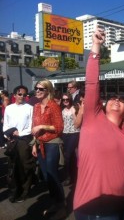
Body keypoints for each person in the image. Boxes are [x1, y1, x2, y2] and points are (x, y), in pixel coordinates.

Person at [73, 28, 124, 220]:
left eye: (122, 100)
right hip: (95, 207)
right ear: (104, 105)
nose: (117, 100)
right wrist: (96, 48)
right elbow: (92, 84)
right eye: (112, 98)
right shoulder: (93, 119)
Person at [31, 79, 66, 219]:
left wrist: (42, 127)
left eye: (41, 89)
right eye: (36, 88)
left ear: (48, 91)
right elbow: (33, 127)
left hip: (52, 142)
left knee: (52, 174)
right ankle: (55, 203)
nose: (37, 91)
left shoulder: (53, 106)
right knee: (46, 176)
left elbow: (59, 128)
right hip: (39, 143)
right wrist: (34, 144)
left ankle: (62, 206)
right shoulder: (36, 106)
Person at [3, 85, 34, 203]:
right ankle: (14, 191)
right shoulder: (9, 108)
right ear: (15, 95)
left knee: (25, 166)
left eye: (24, 95)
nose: (22, 96)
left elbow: (31, 125)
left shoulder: (29, 108)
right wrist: (9, 134)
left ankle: (25, 191)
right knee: (12, 167)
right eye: (20, 94)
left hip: (24, 140)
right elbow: (6, 124)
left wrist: (19, 133)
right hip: (11, 140)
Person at [61, 93, 80, 186]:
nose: (65, 101)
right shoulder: (62, 110)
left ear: (70, 99)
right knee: (71, 156)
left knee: (67, 156)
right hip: (65, 134)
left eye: (67, 99)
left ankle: (70, 177)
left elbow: (77, 123)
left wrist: (73, 113)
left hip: (74, 133)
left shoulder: (74, 108)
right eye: (63, 99)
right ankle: (73, 176)